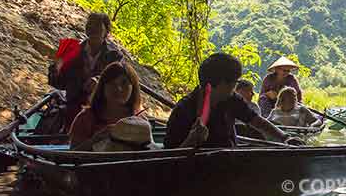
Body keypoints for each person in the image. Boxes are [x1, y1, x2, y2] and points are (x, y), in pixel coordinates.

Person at [165, 53, 304, 149]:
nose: (235, 88)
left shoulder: (231, 99)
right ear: (221, 83)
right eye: (234, 83)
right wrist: (190, 141)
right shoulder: (183, 110)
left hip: (230, 162)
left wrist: (284, 137)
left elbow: (257, 121)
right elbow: (168, 159)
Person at [49, 13, 123, 129]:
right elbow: (59, 84)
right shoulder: (72, 52)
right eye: (90, 25)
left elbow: (118, 83)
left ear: (106, 32)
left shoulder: (114, 56)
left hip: (101, 107)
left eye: (97, 26)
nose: (92, 29)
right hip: (74, 107)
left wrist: (99, 81)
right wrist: (55, 70)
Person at [69, 62, 144, 151]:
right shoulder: (86, 118)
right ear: (102, 87)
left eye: (124, 83)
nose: (118, 89)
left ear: (133, 88)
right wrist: (97, 139)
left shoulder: (140, 120)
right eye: (112, 83)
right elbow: (73, 154)